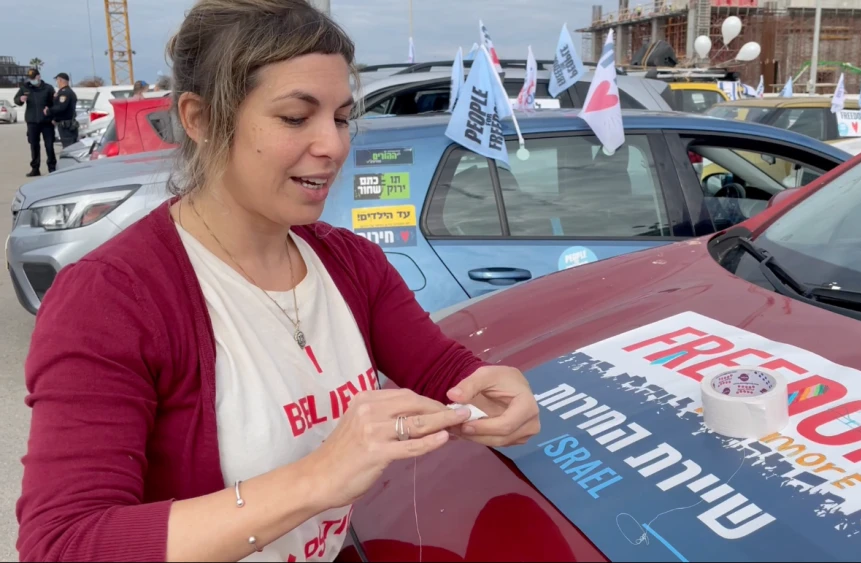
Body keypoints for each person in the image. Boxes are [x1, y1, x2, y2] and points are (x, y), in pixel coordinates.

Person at [15, 1, 540, 562]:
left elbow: (441, 371)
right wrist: (316, 478)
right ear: (200, 119)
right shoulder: (112, 299)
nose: (334, 146)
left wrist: (488, 390)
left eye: (340, 117)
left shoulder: (350, 264)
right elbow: (64, 544)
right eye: (296, 117)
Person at [14, 69, 56, 176]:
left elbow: (55, 104)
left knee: (49, 145)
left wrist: (52, 113)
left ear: (39, 76)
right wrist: (20, 99)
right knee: (34, 145)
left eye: (34, 77)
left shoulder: (48, 88)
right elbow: (16, 100)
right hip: (32, 122)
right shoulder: (25, 88)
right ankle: (35, 169)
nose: (32, 80)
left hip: (47, 122)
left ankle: (52, 168)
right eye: (30, 78)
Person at [47, 72, 80, 148]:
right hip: (67, 124)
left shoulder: (64, 93)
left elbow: (61, 108)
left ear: (60, 80)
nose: (57, 82)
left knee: (68, 147)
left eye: (57, 80)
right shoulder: (66, 92)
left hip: (66, 126)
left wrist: (49, 111)